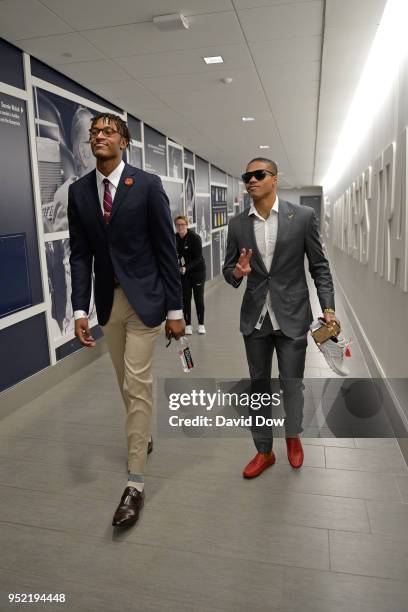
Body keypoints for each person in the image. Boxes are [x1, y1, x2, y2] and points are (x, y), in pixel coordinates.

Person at [68, 113, 185, 528]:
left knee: (137, 383)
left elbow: (167, 251)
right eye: (94, 132)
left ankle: (135, 484)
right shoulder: (80, 192)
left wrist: (175, 310)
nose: (99, 136)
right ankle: (144, 434)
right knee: (125, 381)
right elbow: (80, 254)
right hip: (107, 305)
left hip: (146, 303)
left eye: (108, 131)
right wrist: (79, 309)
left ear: (124, 142)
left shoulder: (147, 185)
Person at [223, 158, 336, 478]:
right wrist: (237, 272)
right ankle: (264, 450)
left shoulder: (301, 217)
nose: (251, 181)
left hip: (292, 316)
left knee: (292, 385)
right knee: (257, 386)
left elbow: (320, 268)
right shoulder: (237, 225)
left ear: (275, 179)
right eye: (247, 176)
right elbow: (229, 273)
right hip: (255, 319)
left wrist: (327, 309)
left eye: (259, 175)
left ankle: (293, 436)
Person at [174, 215, 207, 335]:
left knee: (199, 299)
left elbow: (198, 258)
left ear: (187, 225)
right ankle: (187, 325)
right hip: (184, 274)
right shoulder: (174, 238)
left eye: (182, 224)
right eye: (178, 225)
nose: (180, 227)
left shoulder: (195, 238)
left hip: (198, 272)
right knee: (186, 299)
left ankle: (201, 324)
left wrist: (185, 267)